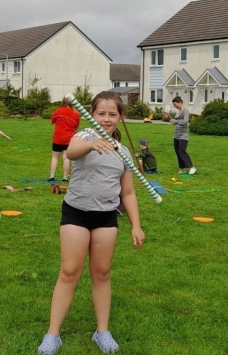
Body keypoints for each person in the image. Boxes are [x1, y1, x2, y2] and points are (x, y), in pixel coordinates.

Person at [37, 92, 146, 355]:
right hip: (76, 213)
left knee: (101, 273)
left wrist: (136, 225)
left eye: (112, 114)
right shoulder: (84, 136)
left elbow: (128, 193)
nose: (106, 119)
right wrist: (91, 145)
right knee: (70, 271)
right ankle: (52, 335)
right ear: (92, 114)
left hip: (106, 217)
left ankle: (102, 331)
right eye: (101, 113)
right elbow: (71, 153)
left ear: (120, 117)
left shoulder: (123, 152)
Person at [48, 97, 80, 182]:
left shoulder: (58, 111)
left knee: (55, 157)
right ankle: (65, 177)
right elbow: (76, 126)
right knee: (66, 158)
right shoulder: (75, 113)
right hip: (69, 139)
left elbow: (52, 121)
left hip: (58, 138)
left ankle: (52, 177)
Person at [169, 96, 196, 175]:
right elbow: (176, 122)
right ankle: (182, 169)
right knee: (177, 152)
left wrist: (176, 122)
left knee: (182, 152)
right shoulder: (177, 112)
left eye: (175, 104)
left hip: (183, 136)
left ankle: (192, 167)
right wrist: (170, 119)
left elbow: (185, 122)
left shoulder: (185, 111)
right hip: (176, 135)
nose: (175, 106)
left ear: (180, 102)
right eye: (174, 105)